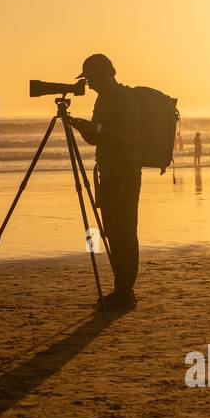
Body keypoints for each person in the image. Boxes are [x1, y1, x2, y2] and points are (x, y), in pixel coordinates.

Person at [69, 53, 142, 312]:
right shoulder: (102, 100)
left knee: (125, 232)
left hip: (125, 173)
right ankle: (121, 289)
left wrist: (97, 129)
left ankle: (125, 291)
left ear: (107, 73)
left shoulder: (124, 98)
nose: (88, 84)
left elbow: (132, 136)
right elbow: (97, 140)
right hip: (109, 172)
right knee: (112, 231)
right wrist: (82, 128)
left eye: (91, 78)